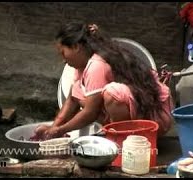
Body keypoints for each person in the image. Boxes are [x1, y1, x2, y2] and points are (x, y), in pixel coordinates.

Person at [35, 21, 174, 139]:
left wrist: (61, 130)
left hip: (154, 119)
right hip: (140, 116)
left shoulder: (97, 65)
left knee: (111, 93)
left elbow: (91, 112)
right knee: (78, 90)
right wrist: (52, 128)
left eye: (63, 53)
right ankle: (120, 137)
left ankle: (121, 141)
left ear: (76, 47)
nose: (63, 59)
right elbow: (72, 99)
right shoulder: (81, 67)